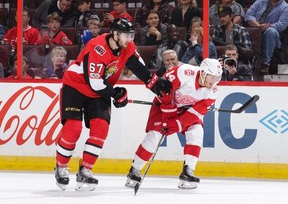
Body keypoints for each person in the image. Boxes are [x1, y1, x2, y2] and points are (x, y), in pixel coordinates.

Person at [54, 18, 172, 191]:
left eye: (131, 35)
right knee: (73, 128)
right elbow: (94, 82)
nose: (130, 39)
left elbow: (137, 67)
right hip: (76, 86)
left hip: (99, 91)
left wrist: (154, 82)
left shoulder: (127, 46)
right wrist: (116, 94)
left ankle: (85, 170)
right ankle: (61, 166)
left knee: (100, 128)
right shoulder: (97, 47)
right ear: (115, 34)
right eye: (126, 35)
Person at [125, 58, 223, 189]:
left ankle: (188, 172)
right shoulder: (184, 72)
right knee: (156, 135)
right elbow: (162, 88)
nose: (214, 82)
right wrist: (169, 115)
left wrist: (177, 123)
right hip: (163, 104)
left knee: (197, 130)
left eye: (218, 78)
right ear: (204, 73)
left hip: (184, 109)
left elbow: (197, 112)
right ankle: (134, 170)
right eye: (212, 77)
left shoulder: (213, 90)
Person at [244, 0, 288, 74]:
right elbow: (248, 15)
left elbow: (281, 25)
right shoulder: (261, 1)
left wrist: (266, 28)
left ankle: (265, 64)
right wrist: (259, 27)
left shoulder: (285, 7)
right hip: (256, 32)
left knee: (271, 31)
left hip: (275, 39)